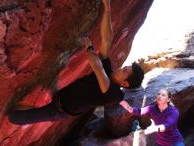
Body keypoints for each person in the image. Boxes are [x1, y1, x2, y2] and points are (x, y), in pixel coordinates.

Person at [8, 0, 144, 125]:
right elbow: (107, 39)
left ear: (125, 83)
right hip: (60, 96)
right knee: (26, 112)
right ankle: (27, 109)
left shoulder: (114, 94)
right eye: (125, 67)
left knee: (14, 117)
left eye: (125, 71)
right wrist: (107, 8)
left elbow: (98, 68)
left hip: (60, 110)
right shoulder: (109, 69)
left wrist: (89, 48)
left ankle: (22, 111)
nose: (121, 69)